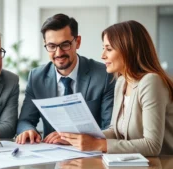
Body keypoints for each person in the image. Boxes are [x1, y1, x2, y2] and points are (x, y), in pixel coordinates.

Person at [60, 20, 173, 156]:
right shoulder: (121, 82)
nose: (102, 56)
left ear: (128, 50)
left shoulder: (151, 82)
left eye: (108, 49)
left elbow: (152, 145)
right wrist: (80, 139)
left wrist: (97, 144)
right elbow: (115, 131)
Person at [16, 13, 115, 145]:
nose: (58, 53)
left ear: (77, 42)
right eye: (51, 46)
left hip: (90, 154)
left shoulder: (104, 75)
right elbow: (25, 121)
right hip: (51, 154)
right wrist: (28, 130)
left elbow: (110, 128)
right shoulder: (36, 77)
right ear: (45, 44)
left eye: (65, 44)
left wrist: (72, 138)